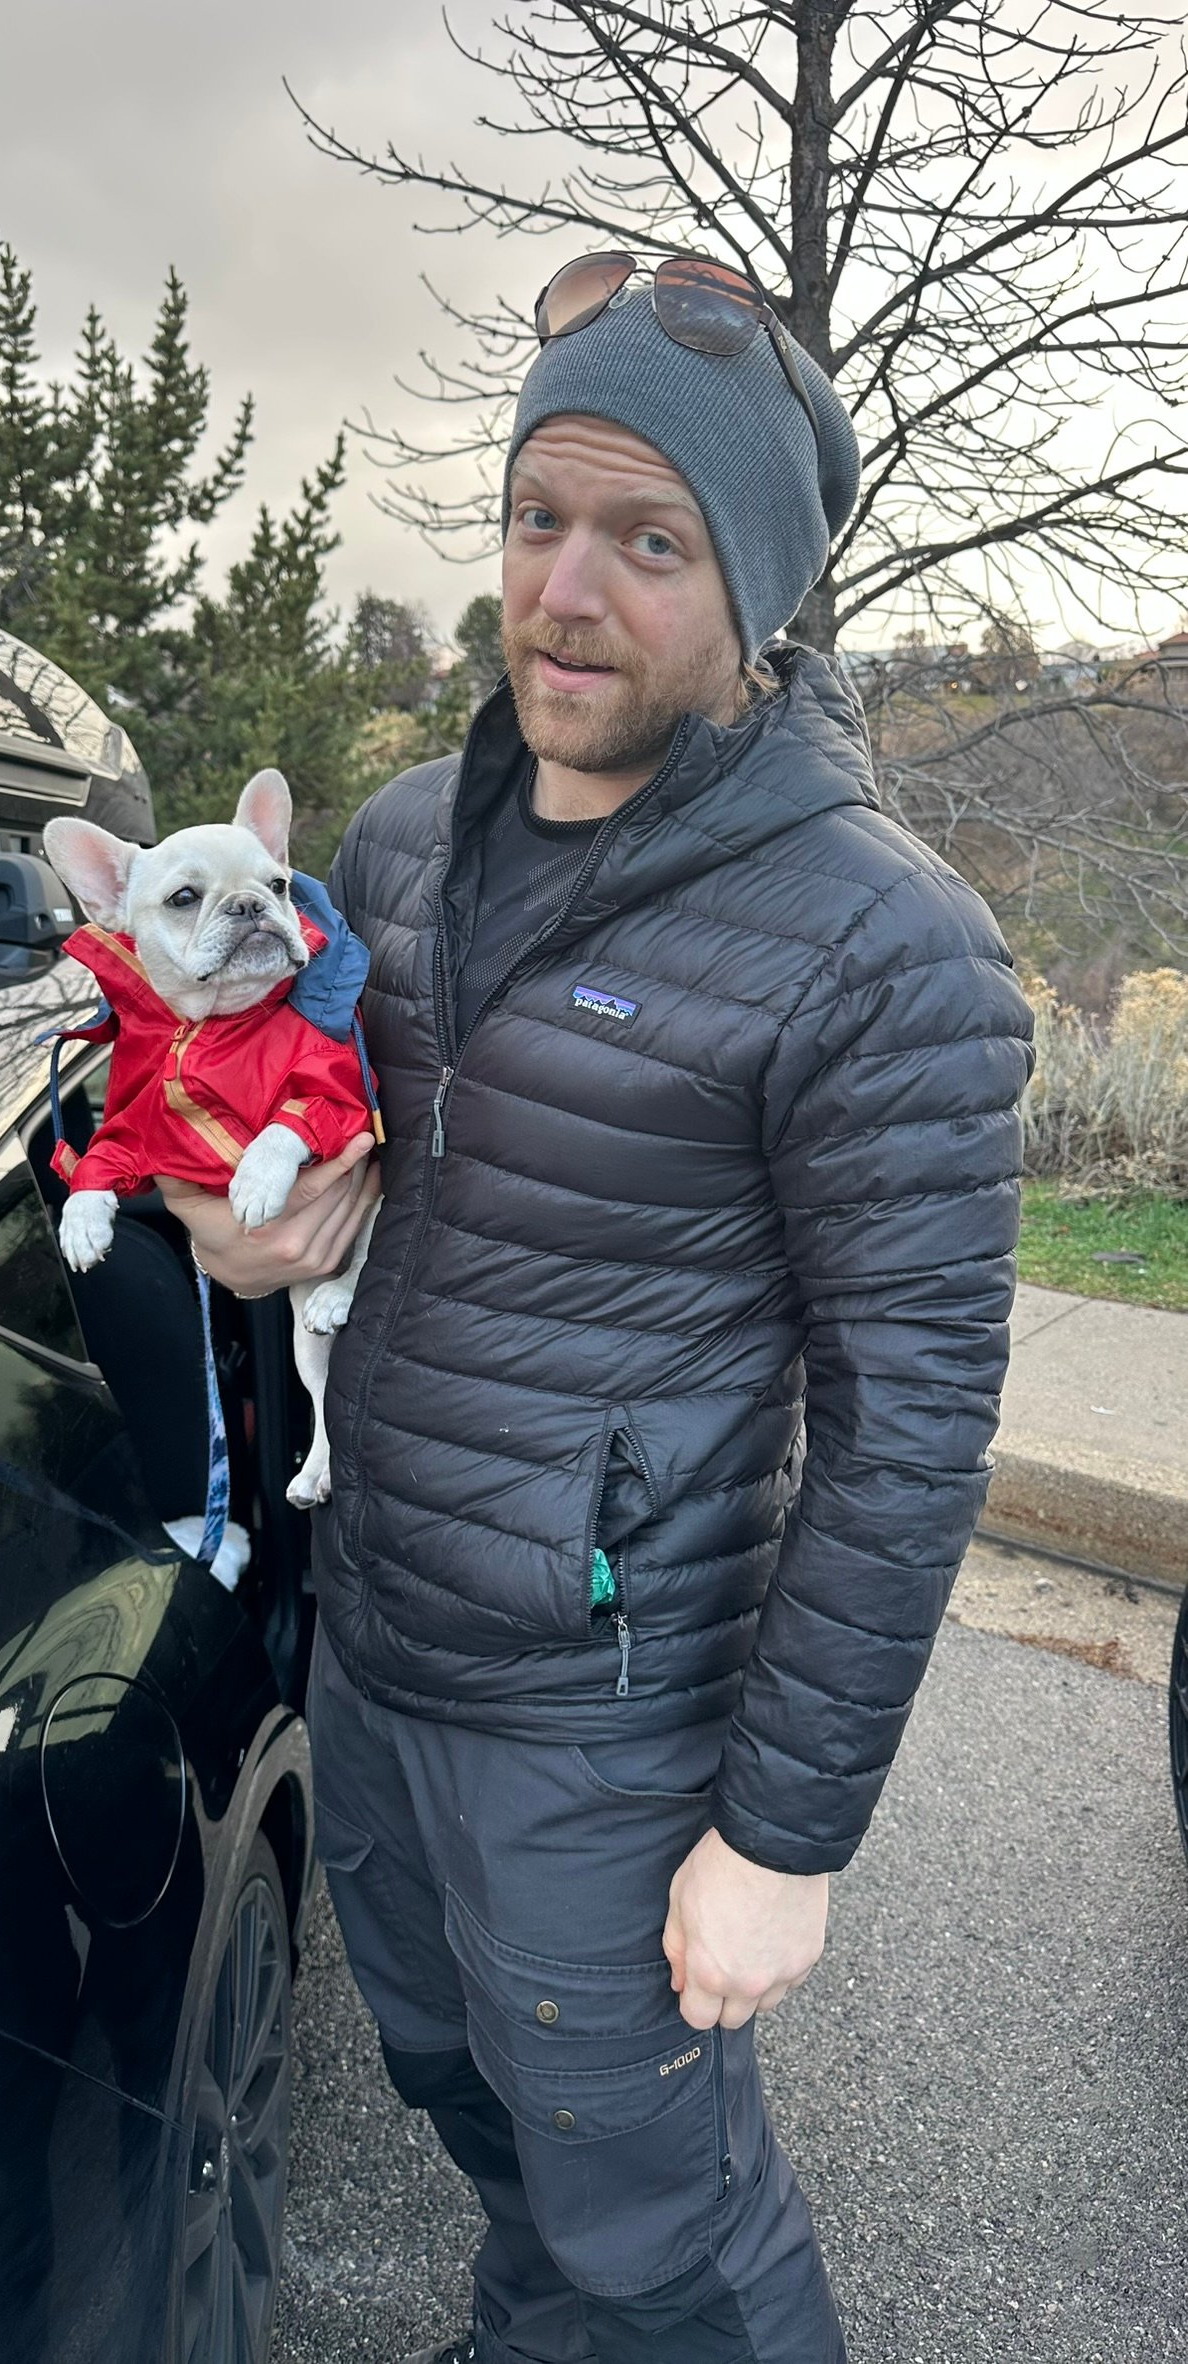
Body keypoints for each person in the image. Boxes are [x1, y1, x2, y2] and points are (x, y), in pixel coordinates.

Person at [162, 253, 1035, 2364]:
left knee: (675, 2242)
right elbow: (293, 1121)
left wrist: (777, 1840)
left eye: (649, 542)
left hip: (610, 1725)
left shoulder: (880, 945)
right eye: (538, 518)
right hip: (379, 1649)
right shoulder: (390, 849)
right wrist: (245, 1223)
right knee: (469, 2100)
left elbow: (911, 1424)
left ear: (753, 594)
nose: (568, 587)